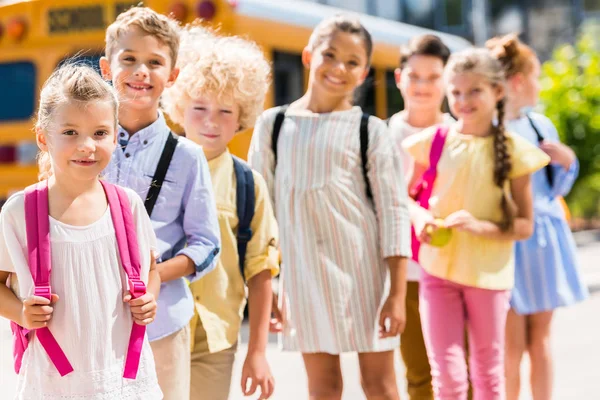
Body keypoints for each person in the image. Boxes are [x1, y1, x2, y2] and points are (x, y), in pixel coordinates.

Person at [248, 14, 412, 400]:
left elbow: (393, 212)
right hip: (303, 279)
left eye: (352, 62)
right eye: (330, 54)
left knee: (381, 387)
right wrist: (266, 284)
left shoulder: (370, 130)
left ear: (364, 72)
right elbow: (260, 214)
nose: (339, 68)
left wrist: (397, 294)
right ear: (308, 56)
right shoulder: (273, 125)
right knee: (324, 388)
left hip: (366, 278)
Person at [0, 64, 162, 399]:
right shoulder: (19, 213)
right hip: (53, 383)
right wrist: (21, 314)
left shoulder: (128, 206)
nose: (87, 145)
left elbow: (151, 271)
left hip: (125, 381)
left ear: (115, 137)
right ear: (43, 138)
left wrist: (149, 299)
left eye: (100, 133)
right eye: (71, 132)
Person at [403, 48, 550, 400]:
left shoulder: (515, 151)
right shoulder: (433, 141)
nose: (463, 101)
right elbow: (405, 197)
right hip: (437, 273)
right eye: (455, 92)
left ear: (498, 92)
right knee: (448, 377)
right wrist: (420, 216)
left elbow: (525, 225)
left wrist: (479, 226)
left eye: (474, 91)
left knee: (487, 376)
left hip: (489, 277)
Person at [99, 7, 220, 399]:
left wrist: (152, 283)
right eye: (128, 59)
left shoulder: (187, 156)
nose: (141, 71)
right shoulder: (86, 148)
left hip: (163, 323)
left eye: (155, 62)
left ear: (172, 75)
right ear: (106, 68)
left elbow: (205, 243)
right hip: (92, 322)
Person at [162, 26, 278, 400]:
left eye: (225, 111)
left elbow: (260, 271)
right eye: (199, 108)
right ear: (179, 107)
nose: (211, 121)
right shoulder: (154, 168)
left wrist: (258, 351)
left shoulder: (249, 185)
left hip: (215, 339)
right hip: (154, 330)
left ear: (242, 115)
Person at [486, 34, 589, 400]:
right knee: (514, 344)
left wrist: (566, 160)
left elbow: (555, 186)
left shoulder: (539, 126)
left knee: (536, 339)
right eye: (536, 77)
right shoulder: (493, 131)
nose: (540, 85)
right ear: (518, 81)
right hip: (512, 242)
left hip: (541, 241)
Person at [388, 34, 453, 400]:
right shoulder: (382, 135)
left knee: (464, 369)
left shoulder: (462, 135)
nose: (423, 86)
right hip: (404, 275)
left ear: (447, 80)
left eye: (434, 77)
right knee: (418, 374)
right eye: (415, 76)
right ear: (399, 78)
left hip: (456, 269)